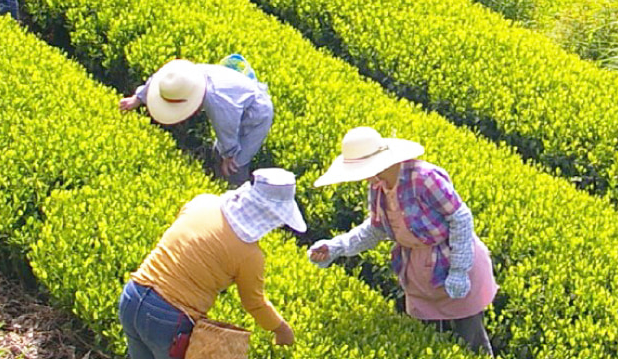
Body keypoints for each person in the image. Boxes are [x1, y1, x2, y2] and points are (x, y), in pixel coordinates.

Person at [310, 127, 498, 354]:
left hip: (451, 260)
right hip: (417, 270)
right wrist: (336, 247)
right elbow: (375, 229)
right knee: (426, 340)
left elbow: (460, 217)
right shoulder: (377, 187)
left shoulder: (424, 178)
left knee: (470, 337)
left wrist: (459, 269)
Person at [122, 169, 303, 359]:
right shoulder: (250, 255)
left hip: (133, 294)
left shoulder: (203, 202)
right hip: (168, 318)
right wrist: (282, 330)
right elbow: (254, 303)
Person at [120, 59, 275, 185]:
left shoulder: (217, 101)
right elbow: (160, 79)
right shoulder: (185, 77)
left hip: (256, 113)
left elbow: (227, 126)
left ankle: (236, 192)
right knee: (219, 150)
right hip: (236, 103)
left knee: (236, 165)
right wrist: (138, 97)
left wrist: (230, 155)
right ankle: (217, 176)